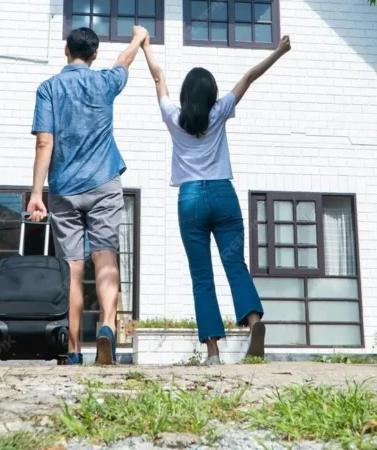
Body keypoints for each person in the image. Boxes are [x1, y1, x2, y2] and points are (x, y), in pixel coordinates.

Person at [141, 33, 292, 364]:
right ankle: (254, 323)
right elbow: (249, 76)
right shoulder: (220, 111)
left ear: (185, 94)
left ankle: (213, 353)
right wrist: (278, 51)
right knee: (235, 265)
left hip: (190, 199)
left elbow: (158, 76)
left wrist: (146, 46)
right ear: (211, 94)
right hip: (223, 194)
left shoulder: (172, 116)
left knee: (202, 276)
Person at [28, 25, 149, 365]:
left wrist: (37, 193)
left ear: (66, 49)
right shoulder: (105, 82)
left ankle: (73, 351)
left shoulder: (49, 88)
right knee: (105, 256)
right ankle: (108, 327)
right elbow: (124, 61)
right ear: (95, 55)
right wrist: (137, 39)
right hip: (104, 183)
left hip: (64, 189)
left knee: (73, 270)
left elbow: (44, 142)